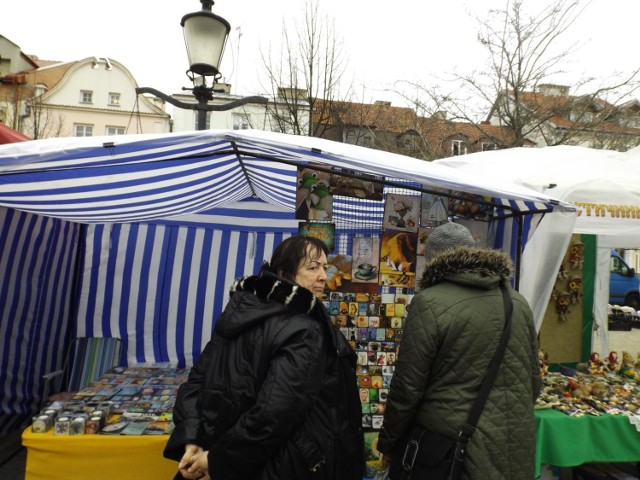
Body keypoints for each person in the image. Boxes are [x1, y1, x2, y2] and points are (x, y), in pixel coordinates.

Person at [163, 235, 364, 480]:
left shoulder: (241, 310)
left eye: (325, 267)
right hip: (274, 464)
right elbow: (276, 411)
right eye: (313, 268)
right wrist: (216, 460)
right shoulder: (303, 327)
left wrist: (193, 438)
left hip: (227, 449)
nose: (323, 275)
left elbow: (196, 383)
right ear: (284, 272)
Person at [377, 222, 541, 480]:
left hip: (454, 452)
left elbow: (407, 387)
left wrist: (388, 443)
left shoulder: (430, 302)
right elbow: (533, 381)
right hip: (514, 447)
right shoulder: (518, 302)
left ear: (432, 260)